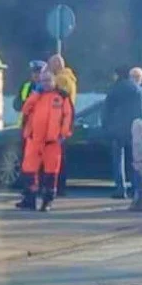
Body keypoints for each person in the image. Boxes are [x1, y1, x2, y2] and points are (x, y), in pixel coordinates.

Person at [16, 70, 74, 212]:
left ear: (54, 81)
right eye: (43, 81)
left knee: (51, 172)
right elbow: (25, 110)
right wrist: (35, 95)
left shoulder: (62, 97)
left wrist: (63, 134)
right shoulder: (36, 96)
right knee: (29, 171)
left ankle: (47, 201)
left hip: (53, 142)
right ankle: (30, 199)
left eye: (48, 80)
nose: (46, 83)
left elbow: (68, 117)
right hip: (34, 140)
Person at [102, 66, 142, 199]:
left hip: (117, 129)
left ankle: (120, 188)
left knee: (118, 160)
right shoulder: (137, 89)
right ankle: (135, 187)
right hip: (135, 128)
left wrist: (106, 126)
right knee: (136, 160)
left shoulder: (115, 89)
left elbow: (107, 110)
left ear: (118, 75)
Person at [47, 54, 77, 196]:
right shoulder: (69, 78)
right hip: (63, 121)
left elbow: (55, 98)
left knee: (57, 158)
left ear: (57, 65)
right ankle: (59, 186)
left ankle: (59, 187)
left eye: (51, 64)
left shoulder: (61, 79)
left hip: (59, 123)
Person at [129, 117, 142, 211]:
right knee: (139, 163)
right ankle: (139, 199)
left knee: (138, 163)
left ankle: (139, 200)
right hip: (139, 123)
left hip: (137, 123)